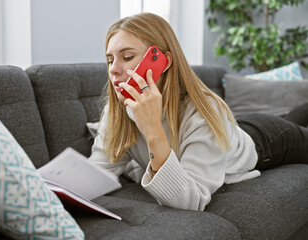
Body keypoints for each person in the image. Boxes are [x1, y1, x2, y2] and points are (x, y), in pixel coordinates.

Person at [88, 12, 308, 211]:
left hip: (263, 139)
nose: (114, 70)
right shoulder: (115, 112)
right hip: (226, 133)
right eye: (109, 60)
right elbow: (96, 174)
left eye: (127, 57)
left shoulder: (203, 112)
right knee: (293, 117)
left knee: (296, 128)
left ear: (162, 62)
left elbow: (191, 200)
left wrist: (152, 128)